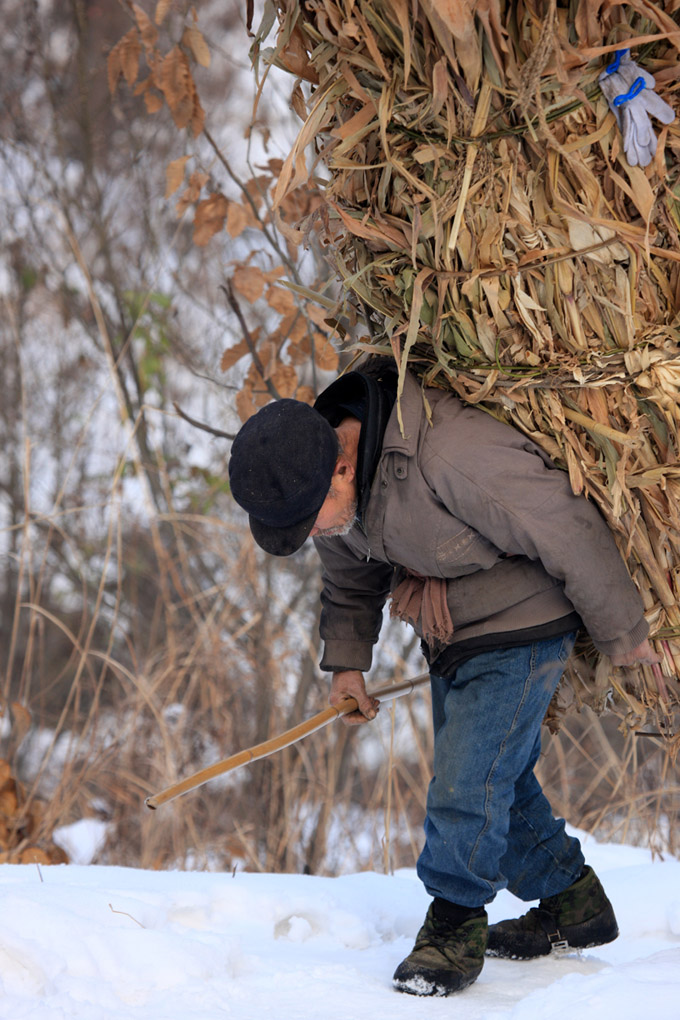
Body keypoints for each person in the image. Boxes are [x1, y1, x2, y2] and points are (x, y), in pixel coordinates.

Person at [228, 358, 659, 997]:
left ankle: (453, 928)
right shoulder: (322, 481)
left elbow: (563, 526)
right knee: (495, 782)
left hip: (525, 620)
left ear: (342, 467)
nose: (313, 532)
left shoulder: (445, 451)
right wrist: (348, 665)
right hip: (451, 632)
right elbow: (348, 575)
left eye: (309, 519)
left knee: (466, 784)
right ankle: (575, 905)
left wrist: (624, 633)